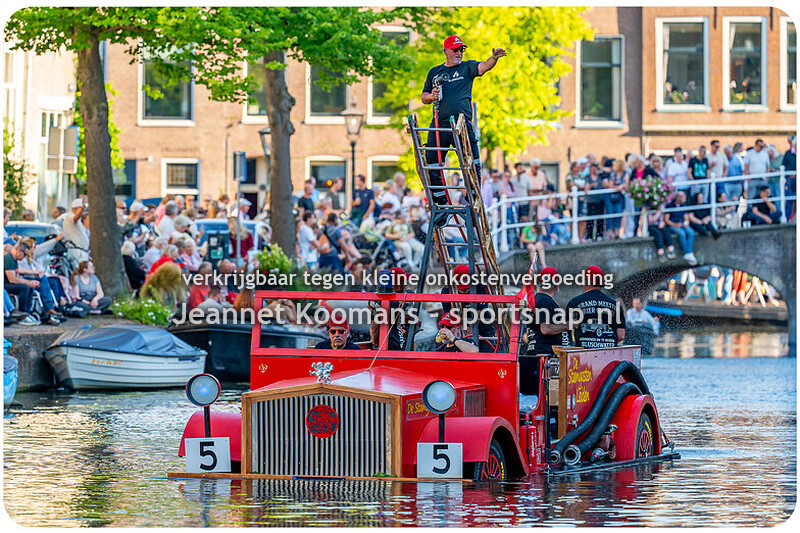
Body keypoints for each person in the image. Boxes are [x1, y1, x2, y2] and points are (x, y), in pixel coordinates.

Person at [421, 35, 505, 208]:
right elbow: (424, 97)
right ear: (446, 51)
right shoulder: (434, 72)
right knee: (432, 160)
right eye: (455, 49)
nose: (459, 52)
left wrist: (494, 58)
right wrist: (431, 96)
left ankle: (473, 196)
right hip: (440, 123)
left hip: (462, 124)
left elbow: (484, 66)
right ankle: (440, 201)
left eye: (461, 49)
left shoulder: (467, 67)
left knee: (471, 159)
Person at [520, 267, 570, 394]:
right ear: (556, 284)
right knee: (549, 398)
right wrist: (568, 325)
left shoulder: (535, 300)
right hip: (545, 359)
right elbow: (545, 329)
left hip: (534, 357)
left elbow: (527, 335)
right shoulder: (545, 301)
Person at [567, 265, 626, 348]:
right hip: (608, 352)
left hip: (583, 351)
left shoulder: (575, 302)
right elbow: (621, 335)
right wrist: (605, 343)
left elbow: (566, 331)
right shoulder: (615, 305)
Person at [4, 242, 45, 325]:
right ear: (19, 251)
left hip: (9, 283)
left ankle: (27, 312)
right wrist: (28, 283)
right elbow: (12, 279)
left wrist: (32, 280)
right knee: (24, 287)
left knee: (30, 286)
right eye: (25, 254)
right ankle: (22, 313)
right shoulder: (8, 259)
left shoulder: (14, 260)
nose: (25, 257)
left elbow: (18, 274)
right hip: (5, 284)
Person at [664, 190, 698, 265]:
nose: (685, 199)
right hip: (672, 225)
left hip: (681, 224)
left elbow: (686, 217)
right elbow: (666, 220)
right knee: (682, 233)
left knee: (690, 232)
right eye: (683, 197)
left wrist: (686, 222)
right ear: (678, 198)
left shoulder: (684, 205)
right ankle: (687, 253)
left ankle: (689, 253)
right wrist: (675, 224)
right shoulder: (669, 205)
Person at [62, 198, 90, 272]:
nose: (83, 212)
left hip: (80, 251)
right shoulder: (70, 217)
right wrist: (83, 207)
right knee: (80, 274)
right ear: (75, 209)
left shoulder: (73, 219)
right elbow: (76, 217)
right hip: (77, 252)